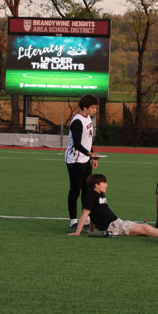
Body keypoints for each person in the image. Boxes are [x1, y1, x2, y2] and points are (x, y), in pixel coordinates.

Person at [69, 174, 158, 238]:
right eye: (104, 183)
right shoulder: (91, 195)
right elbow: (85, 214)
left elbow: (93, 212)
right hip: (112, 227)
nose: (107, 185)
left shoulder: (100, 194)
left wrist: (92, 230)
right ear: (96, 185)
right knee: (145, 229)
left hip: (116, 223)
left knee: (146, 227)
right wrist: (78, 232)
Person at [65, 94, 101, 231]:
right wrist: (89, 153)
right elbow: (77, 144)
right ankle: (73, 220)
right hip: (75, 160)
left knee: (87, 190)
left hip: (85, 159)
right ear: (85, 107)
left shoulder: (88, 118)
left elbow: (88, 141)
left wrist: (91, 155)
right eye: (93, 108)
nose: (95, 110)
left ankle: (85, 219)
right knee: (75, 189)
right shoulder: (77, 121)